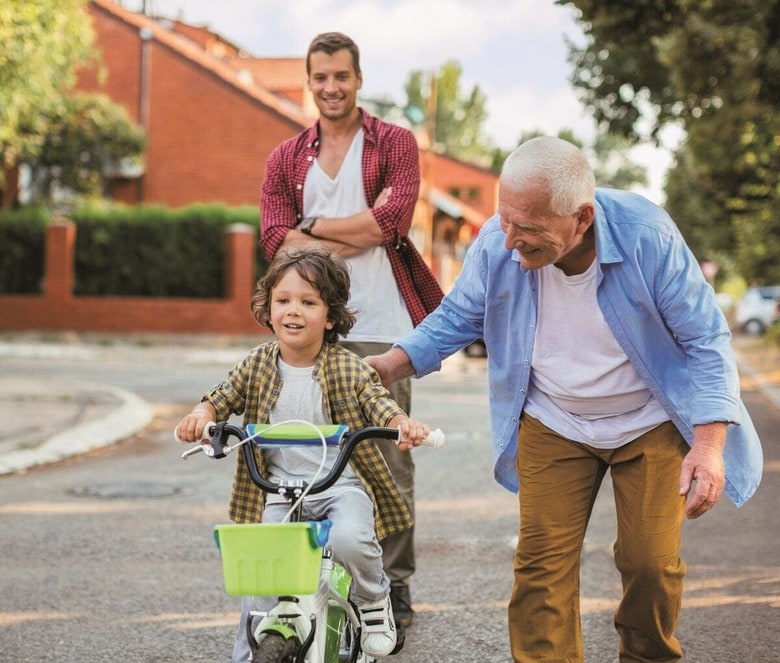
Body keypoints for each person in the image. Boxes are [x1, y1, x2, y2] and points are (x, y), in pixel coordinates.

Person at [366, 136, 764, 662]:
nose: (509, 240)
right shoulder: (497, 242)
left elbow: (706, 339)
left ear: (581, 218)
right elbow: (455, 319)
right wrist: (385, 365)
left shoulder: (647, 235)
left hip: (649, 418)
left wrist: (709, 446)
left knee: (650, 562)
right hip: (553, 419)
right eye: (504, 219)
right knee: (540, 569)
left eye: (528, 228)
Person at [258, 30, 443, 627]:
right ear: (308, 81)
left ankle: (394, 586)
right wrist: (347, 227)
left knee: (386, 457)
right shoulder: (286, 158)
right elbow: (272, 237)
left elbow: (390, 225)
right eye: (320, 77)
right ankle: (305, 576)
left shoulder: (393, 142)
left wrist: (308, 228)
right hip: (306, 326)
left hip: (382, 324)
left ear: (358, 79)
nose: (330, 87)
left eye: (341, 76)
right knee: (299, 446)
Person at [174, 246, 432, 661]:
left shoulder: (349, 367)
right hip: (279, 491)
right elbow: (221, 398)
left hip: (340, 486)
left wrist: (402, 424)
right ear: (268, 308)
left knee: (351, 539)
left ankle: (373, 603)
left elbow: (379, 402)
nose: (293, 311)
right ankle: (249, 654)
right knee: (263, 575)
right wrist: (201, 415)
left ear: (330, 317)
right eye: (284, 300)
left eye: (308, 302)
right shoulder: (257, 364)